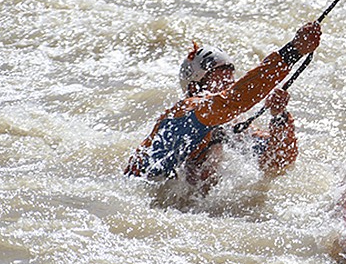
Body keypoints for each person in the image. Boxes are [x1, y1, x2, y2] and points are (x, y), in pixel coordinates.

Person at [125, 22, 322, 189]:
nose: (228, 86)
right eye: (221, 82)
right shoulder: (189, 110)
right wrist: (293, 51)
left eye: (231, 80)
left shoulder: (229, 126)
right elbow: (234, 100)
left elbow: (279, 162)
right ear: (195, 88)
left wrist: (278, 116)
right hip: (141, 193)